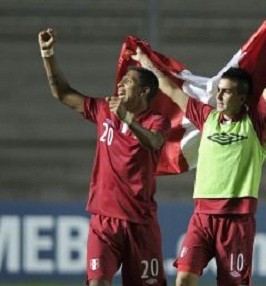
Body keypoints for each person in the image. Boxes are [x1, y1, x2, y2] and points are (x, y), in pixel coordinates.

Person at [131, 15, 266, 286]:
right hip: (201, 217)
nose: (220, 96)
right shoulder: (208, 117)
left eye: (226, 92)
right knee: (184, 279)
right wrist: (145, 63)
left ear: (241, 97)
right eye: (220, 91)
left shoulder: (255, 124)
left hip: (236, 222)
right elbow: (169, 88)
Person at [38, 28, 170, 286]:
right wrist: (47, 53)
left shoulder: (157, 121)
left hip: (140, 225)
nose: (120, 85)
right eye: (120, 82)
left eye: (128, 82)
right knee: (98, 282)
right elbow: (63, 93)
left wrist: (127, 119)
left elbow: (154, 143)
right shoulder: (103, 110)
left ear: (144, 92)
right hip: (104, 220)